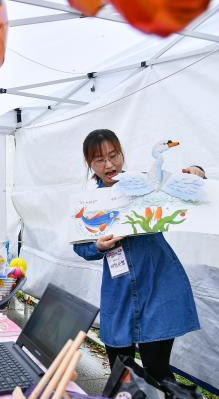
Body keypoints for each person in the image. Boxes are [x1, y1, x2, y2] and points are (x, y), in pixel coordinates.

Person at [72, 129, 203, 383]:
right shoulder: (87, 202)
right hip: (118, 294)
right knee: (122, 372)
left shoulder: (146, 183)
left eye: (114, 155)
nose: (109, 164)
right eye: (100, 160)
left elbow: (182, 188)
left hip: (159, 286)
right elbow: (80, 246)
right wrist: (98, 246)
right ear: (90, 164)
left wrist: (197, 172)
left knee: (157, 370)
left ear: (122, 153)